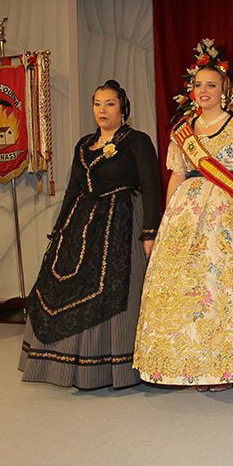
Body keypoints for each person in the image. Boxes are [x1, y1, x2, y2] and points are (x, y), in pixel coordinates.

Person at [133, 46, 233, 392]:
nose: (204, 91)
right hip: (188, 212)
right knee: (188, 290)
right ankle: (189, 361)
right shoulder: (184, 130)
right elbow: (176, 176)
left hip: (230, 209)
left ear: (224, 90)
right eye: (199, 84)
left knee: (223, 287)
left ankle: (225, 365)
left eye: (212, 85)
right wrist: (169, 219)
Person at [20, 79, 161, 390]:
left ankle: (112, 362)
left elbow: (151, 186)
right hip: (82, 222)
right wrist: (59, 229)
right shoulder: (84, 144)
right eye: (97, 103)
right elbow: (73, 187)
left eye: (109, 103)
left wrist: (150, 231)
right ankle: (62, 361)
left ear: (123, 108)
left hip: (122, 220)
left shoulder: (137, 141)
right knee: (62, 284)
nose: (102, 110)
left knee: (111, 287)